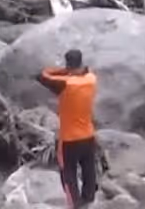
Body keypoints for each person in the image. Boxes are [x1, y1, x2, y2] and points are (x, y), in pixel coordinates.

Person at [38, 49, 98, 207]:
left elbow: (42, 75)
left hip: (69, 139)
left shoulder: (64, 84)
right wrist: (71, 71)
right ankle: (89, 199)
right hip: (88, 135)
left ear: (67, 64)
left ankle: (75, 205)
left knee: (68, 173)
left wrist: (64, 71)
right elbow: (84, 71)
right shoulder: (91, 79)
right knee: (88, 170)